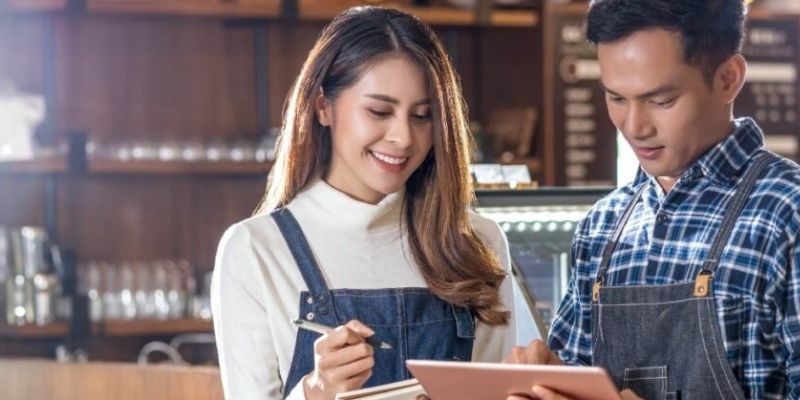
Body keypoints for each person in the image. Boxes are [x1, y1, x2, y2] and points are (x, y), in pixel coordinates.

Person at [211, 6, 516, 400]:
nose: (403, 137)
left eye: (423, 116)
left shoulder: (477, 242)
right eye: (379, 111)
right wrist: (316, 390)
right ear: (323, 106)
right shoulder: (255, 250)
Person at [505, 0, 800, 399]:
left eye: (661, 101)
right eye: (616, 98)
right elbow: (573, 376)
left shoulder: (786, 215)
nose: (634, 126)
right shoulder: (603, 227)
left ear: (728, 78)